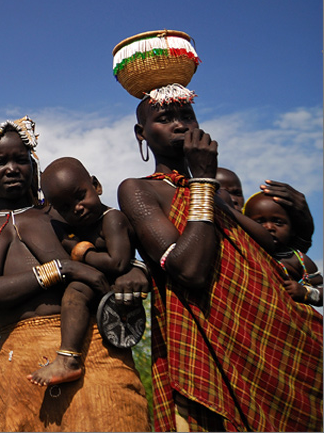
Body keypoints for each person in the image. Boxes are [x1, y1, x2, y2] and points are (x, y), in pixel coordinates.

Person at [117, 91, 323, 431]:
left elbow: (273, 255)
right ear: (141, 133)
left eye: (187, 116)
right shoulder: (139, 191)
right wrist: (201, 180)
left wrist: (303, 218)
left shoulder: (220, 194)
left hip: (279, 338)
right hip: (213, 351)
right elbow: (190, 270)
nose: (180, 125)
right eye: (165, 119)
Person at [0, 117, 148, 432]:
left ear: (33, 163)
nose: (12, 168)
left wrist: (135, 269)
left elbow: (116, 242)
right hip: (19, 362)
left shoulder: (60, 213)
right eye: (0, 162)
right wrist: (61, 269)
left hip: (93, 347)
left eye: (21, 159)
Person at [32, 156, 139, 387]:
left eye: (80, 197)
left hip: (118, 289)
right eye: (66, 208)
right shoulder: (78, 226)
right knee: (74, 292)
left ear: (96, 185)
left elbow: (119, 263)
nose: (77, 209)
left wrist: (83, 254)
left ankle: (68, 359)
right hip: (101, 289)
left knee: (76, 291)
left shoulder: (112, 219)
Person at [243, 191, 322, 307]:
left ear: (292, 230)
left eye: (278, 222)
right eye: (259, 222)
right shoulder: (245, 251)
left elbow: (321, 290)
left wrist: (305, 292)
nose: (269, 227)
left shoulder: (299, 259)